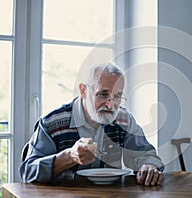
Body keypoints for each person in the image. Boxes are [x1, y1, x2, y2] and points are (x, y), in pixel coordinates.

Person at [19, 63, 164, 186]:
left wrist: (149, 166)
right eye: (103, 94)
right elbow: (28, 172)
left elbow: (148, 156)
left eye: (117, 96)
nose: (110, 104)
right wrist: (70, 156)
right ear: (83, 91)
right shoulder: (52, 123)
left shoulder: (124, 120)